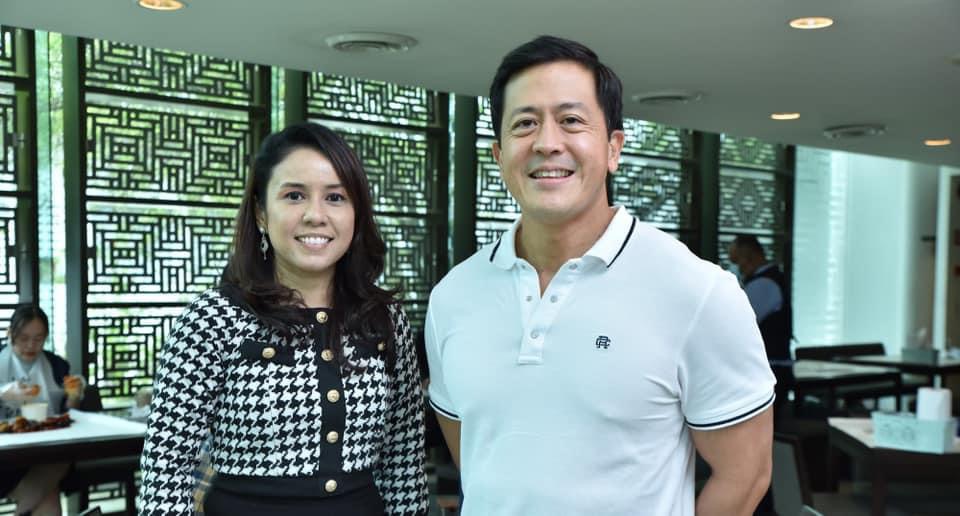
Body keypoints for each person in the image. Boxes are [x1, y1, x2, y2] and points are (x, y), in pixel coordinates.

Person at [425, 36, 775, 515]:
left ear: (613, 148)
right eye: (525, 124)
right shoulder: (453, 296)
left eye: (571, 120)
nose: (547, 143)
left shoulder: (697, 292)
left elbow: (745, 475)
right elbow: (477, 456)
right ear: (499, 156)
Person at [138, 122, 428, 515]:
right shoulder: (213, 319)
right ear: (261, 212)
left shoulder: (385, 319)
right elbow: (166, 469)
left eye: (336, 197)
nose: (315, 215)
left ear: (356, 213)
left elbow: (404, 460)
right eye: (294, 196)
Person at [0, 304, 85, 516]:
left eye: (38, 339)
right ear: (10, 334)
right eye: (23, 338)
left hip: (44, 451)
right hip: (5, 455)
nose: (31, 345)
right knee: (49, 495)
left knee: (60, 456)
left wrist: (74, 395)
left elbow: (69, 414)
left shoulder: (57, 365)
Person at [727, 234, 794, 416]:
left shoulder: (764, 284)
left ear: (749, 255)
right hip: (770, 370)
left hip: (770, 370)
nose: (736, 267)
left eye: (737, 260)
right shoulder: (766, 279)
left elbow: (737, 324)